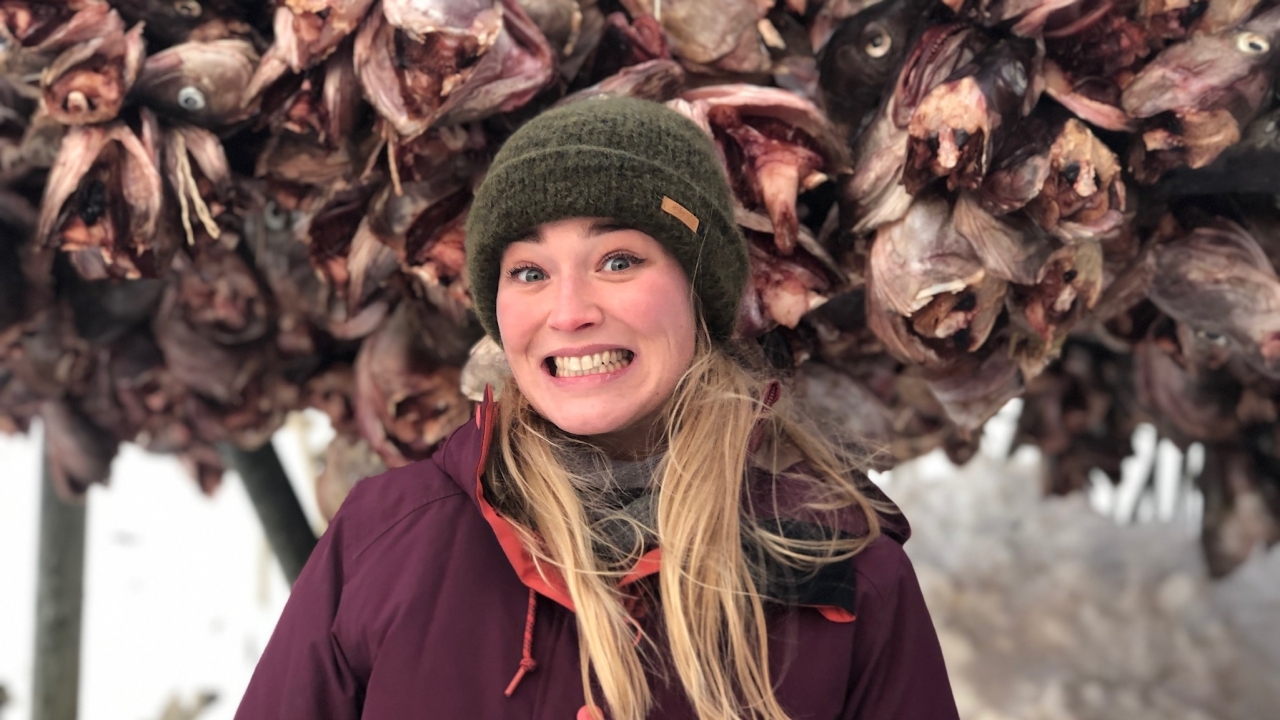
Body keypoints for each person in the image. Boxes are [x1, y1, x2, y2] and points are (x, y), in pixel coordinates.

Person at [234, 97, 959, 720]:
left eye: (618, 260)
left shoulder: (842, 570)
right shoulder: (384, 537)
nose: (569, 311)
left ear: (699, 293)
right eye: (528, 272)